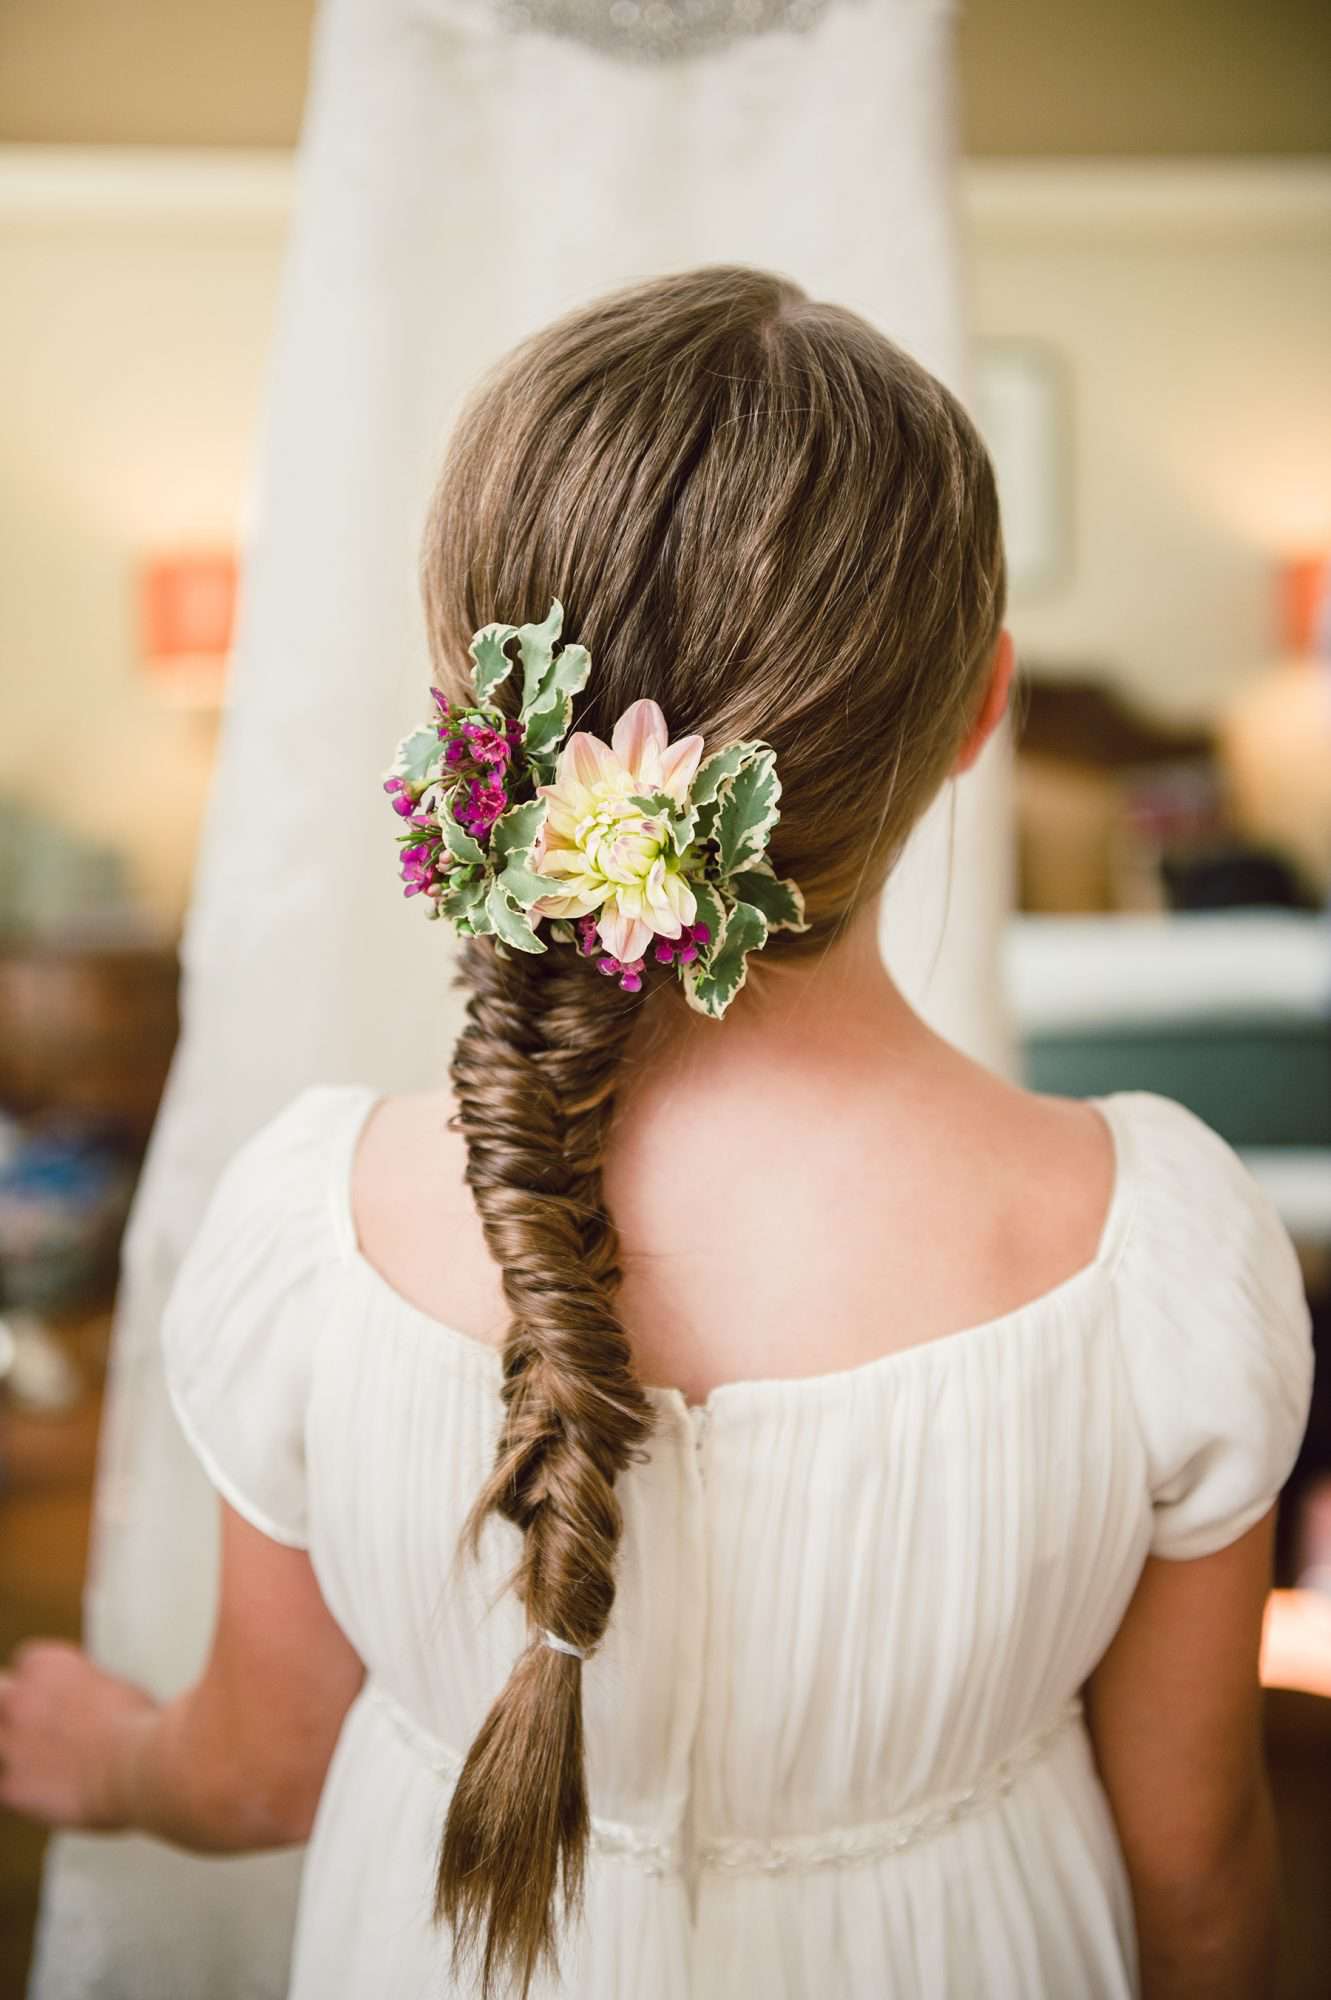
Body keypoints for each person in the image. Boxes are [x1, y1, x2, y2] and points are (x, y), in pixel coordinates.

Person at [0, 265, 1314, 2000]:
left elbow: (255, 1766)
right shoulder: (1158, 1249)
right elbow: (1200, 1872)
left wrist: (113, 1761)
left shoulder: (318, 1226)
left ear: (485, 716)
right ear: (980, 712)